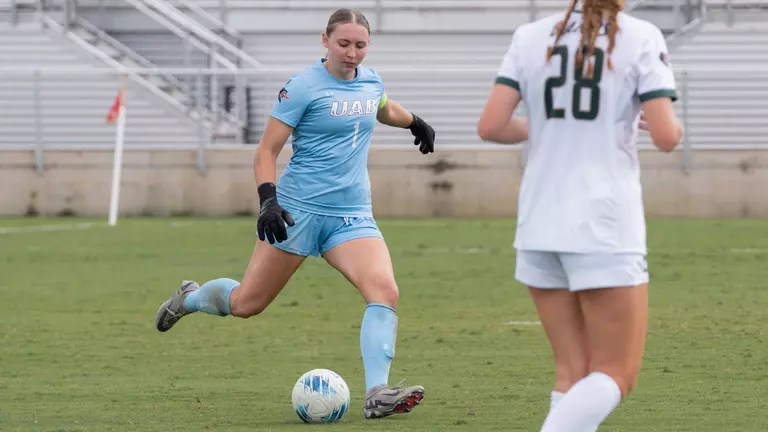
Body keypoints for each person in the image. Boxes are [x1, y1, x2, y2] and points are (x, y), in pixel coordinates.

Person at [154, 8, 435, 420]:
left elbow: (381, 107)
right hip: (296, 212)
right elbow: (266, 151)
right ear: (325, 40)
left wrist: (415, 122)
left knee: (385, 291)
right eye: (343, 44)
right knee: (247, 303)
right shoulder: (302, 87)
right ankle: (191, 298)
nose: (351, 53)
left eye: (360, 45)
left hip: (351, 215)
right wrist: (268, 200)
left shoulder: (371, 80)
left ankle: (377, 392)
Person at [477, 0, 683, 430]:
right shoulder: (641, 35)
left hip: (537, 222)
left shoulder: (530, 35)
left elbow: (492, 125)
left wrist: (556, 127)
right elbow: (666, 136)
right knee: (616, 374)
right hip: (603, 225)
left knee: (572, 373)